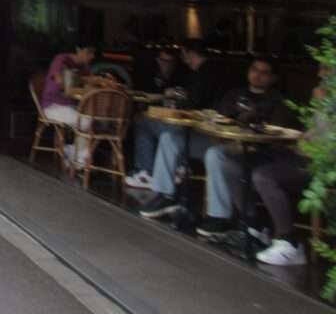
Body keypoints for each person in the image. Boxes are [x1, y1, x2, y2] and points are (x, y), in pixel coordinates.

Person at [139, 55, 295, 222]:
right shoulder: (234, 94)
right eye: (254, 69)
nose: (257, 75)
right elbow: (218, 116)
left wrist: (253, 119)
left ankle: (219, 216)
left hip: (247, 148)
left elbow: (275, 132)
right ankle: (165, 194)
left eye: (264, 72)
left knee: (215, 154)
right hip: (217, 139)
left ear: (273, 78)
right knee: (170, 137)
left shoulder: (277, 101)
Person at [196, 74, 321, 265]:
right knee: (230, 164)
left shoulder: (327, 102)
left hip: (317, 164)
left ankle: (290, 242)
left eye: (327, 70)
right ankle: (254, 227)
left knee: (263, 176)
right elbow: (309, 133)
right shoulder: (322, 99)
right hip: (295, 153)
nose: (320, 74)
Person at [126, 41, 207, 189]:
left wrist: (174, 98)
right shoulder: (196, 73)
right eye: (163, 60)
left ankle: (147, 171)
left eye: (171, 61)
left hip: (196, 130)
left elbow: (191, 103)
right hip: (191, 125)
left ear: (189, 54)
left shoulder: (192, 74)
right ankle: (174, 168)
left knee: (142, 121)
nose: (167, 64)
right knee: (148, 122)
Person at [40, 40, 97, 165]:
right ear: (78, 50)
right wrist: (76, 82)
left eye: (93, 54)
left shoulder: (84, 67)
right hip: (53, 106)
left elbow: (90, 82)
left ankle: (74, 155)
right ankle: (77, 158)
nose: (91, 56)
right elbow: (60, 81)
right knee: (86, 122)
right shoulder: (61, 59)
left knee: (93, 121)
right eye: (89, 53)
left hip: (71, 106)